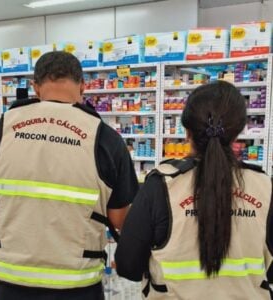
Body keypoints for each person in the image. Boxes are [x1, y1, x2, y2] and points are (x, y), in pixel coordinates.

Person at [0, 51, 139, 300]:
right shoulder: (105, 138)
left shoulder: (1, 130)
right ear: (83, 86)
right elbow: (120, 219)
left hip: (12, 283)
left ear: (35, 88)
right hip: (78, 286)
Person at [115, 81, 273, 299]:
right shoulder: (265, 188)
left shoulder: (162, 185)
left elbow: (127, 265)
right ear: (237, 133)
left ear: (187, 132)